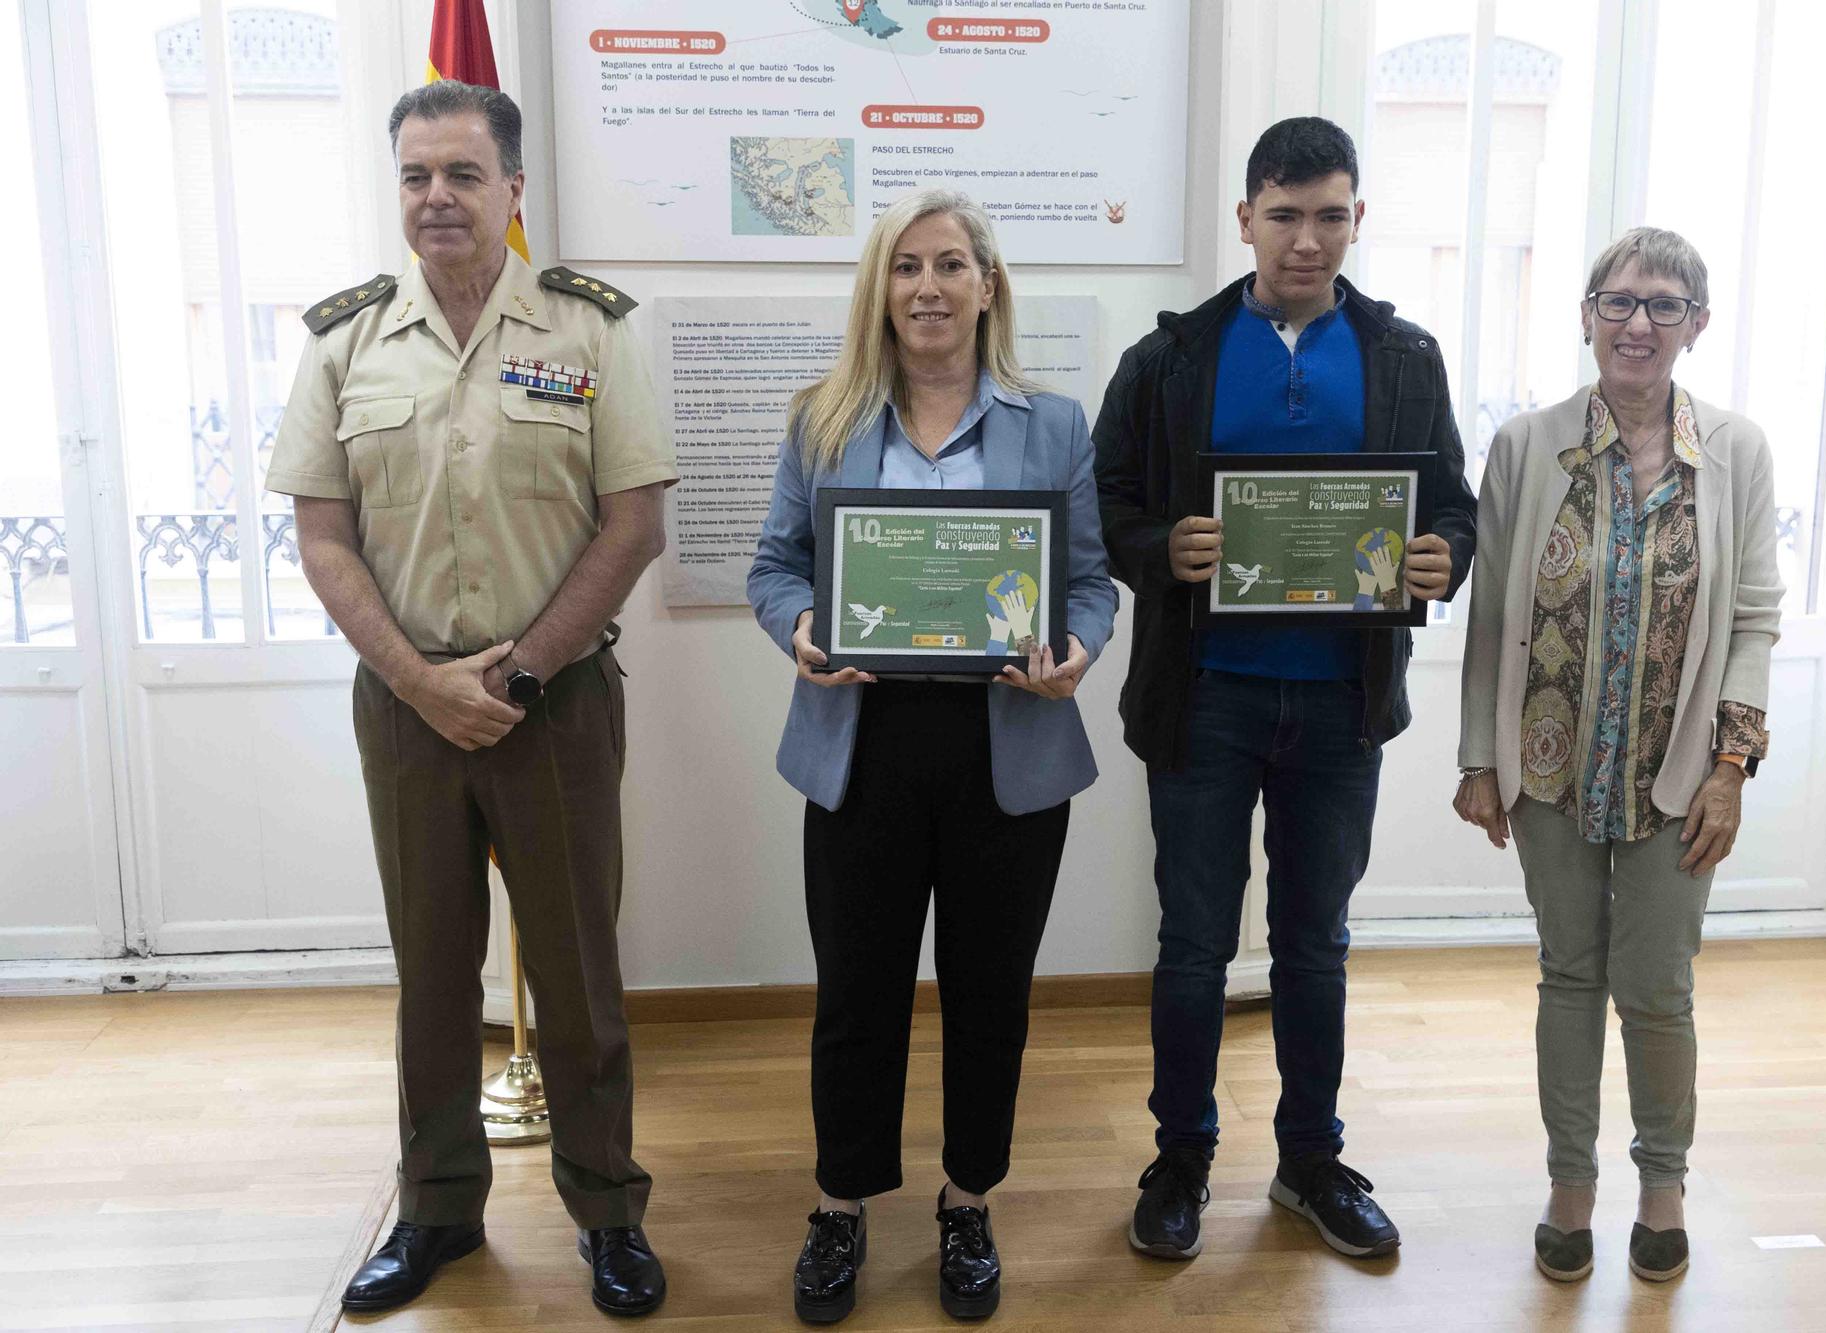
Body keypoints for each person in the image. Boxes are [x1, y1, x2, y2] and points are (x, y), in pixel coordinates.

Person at [266, 80, 675, 1317]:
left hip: (553, 703)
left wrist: (519, 671)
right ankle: (436, 1208)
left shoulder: (588, 331)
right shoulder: (344, 341)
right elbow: (323, 538)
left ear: (512, 192)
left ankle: (607, 1210)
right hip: (405, 708)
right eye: (413, 177)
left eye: (459, 174)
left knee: (576, 971)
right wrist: (421, 680)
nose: (435, 197)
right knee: (431, 970)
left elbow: (633, 524)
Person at [1094, 117, 1477, 1263]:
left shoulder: (1403, 357)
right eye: (1283, 215)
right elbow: (1106, 507)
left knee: (1314, 943)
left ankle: (1310, 1157)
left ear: (1355, 219)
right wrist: (1168, 548)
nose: (1305, 240)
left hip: (1336, 706)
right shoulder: (1168, 357)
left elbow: (1451, 505)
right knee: (1194, 945)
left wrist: (1441, 558)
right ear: (1245, 217)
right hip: (1203, 697)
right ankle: (1180, 1156)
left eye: (1329, 216)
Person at [746, 189, 1116, 1323]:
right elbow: (775, 568)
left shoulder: (1052, 424)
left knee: (988, 991)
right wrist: (801, 630)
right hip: (861, 739)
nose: (927, 288)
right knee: (856, 993)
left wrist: (1075, 652)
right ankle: (841, 1204)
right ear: (880, 289)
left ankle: (967, 1200)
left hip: (1007, 740)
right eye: (905, 267)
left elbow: (1091, 581)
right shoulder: (822, 418)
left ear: (986, 285)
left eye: (950, 264)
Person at [1453, 226, 1783, 1284]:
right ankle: (1567, 1184)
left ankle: (1661, 1183)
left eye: (1662, 304)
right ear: (1586, 313)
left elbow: (1754, 621)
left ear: (1695, 324)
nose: (1636, 323)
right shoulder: (1524, 444)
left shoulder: (1734, 450)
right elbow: (1491, 608)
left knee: (1654, 985)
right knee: (1566, 974)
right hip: (1545, 764)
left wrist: (1731, 769)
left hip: (1677, 772)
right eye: (1618, 301)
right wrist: (1477, 756)